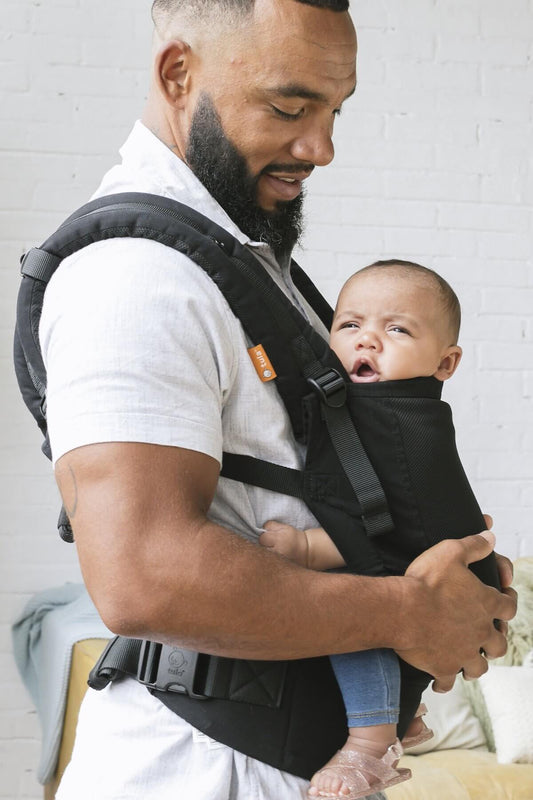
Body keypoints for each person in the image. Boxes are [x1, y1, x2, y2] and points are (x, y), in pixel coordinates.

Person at [37, 0, 516, 798]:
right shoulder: (136, 278)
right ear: (177, 73)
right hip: (196, 769)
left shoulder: (241, 265)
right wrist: (407, 611)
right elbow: (143, 578)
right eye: (289, 107)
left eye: (334, 111)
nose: (320, 147)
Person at [260, 260, 470, 798]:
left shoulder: (399, 422)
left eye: (396, 329)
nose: (367, 341)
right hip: (434, 565)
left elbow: (389, 525)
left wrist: (308, 547)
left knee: (358, 616)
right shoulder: (372, 403)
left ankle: (370, 745)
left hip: (427, 568)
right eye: (349, 326)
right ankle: (402, 716)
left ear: (445, 362)